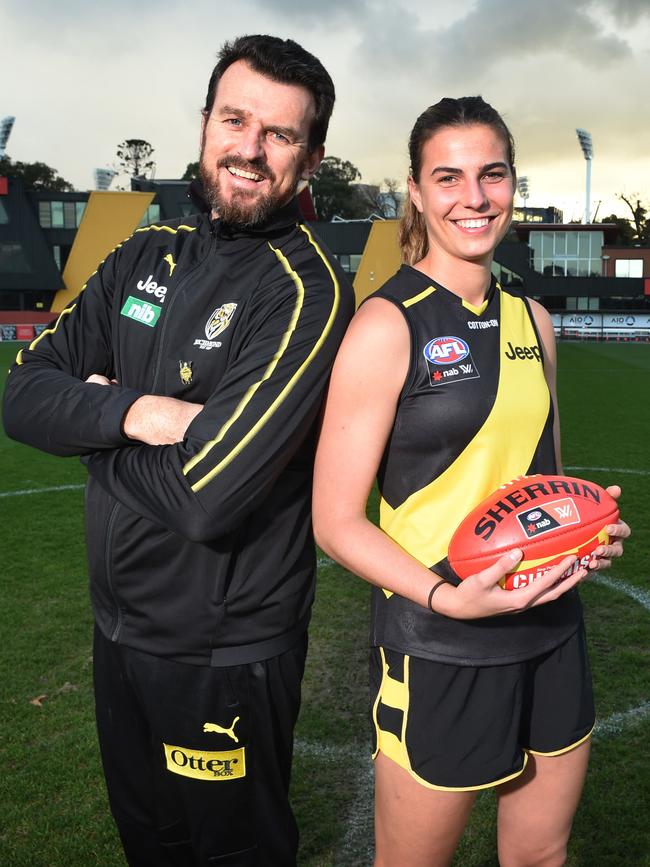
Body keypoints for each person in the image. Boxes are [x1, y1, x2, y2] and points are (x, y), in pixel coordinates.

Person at [3, 35, 354, 866]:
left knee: (231, 854)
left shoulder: (304, 292)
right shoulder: (141, 255)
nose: (249, 149)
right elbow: (20, 395)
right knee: (150, 843)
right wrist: (136, 412)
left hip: (222, 652)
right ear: (204, 123)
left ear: (311, 157)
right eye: (235, 120)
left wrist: (89, 421)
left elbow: (207, 500)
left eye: (279, 134)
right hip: (118, 633)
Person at [313, 96, 629, 867]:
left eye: (491, 174)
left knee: (541, 857)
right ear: (416, 192)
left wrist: (590, 531)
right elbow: (335, 519)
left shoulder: (534, 318)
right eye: (447, 177)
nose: (474, 197)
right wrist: (447, 597)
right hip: (439, 643)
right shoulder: (387, 324)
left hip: (552, 629)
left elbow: (547, 477)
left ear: (513, 183)